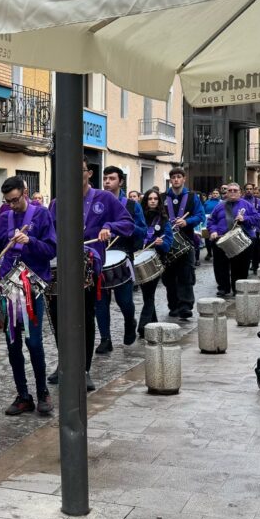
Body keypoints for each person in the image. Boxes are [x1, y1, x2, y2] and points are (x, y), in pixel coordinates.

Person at [47, 161, 134, 391]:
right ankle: (64, 364)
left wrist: (109, 226)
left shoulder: (105, 199)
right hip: (61, 268)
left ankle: (83, 369)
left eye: (81, 171)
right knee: (57, 318)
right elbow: (48, 233)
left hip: (88, 266)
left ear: (89, 173)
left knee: (85, 318)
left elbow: (127, 223)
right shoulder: (57, 203)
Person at [0, 176, 57, 414]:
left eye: (14, 200)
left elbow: (51, 250)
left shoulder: (42, 215)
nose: (11, 205)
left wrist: (30, 241)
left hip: (32, 288)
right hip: (8, 287)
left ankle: (43, 392)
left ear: (25, 192)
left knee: (33, 342)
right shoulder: (3, 218)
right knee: (13, 344)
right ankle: (23, 395)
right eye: (7, 201)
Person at [95, 166, 145, 352]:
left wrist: (117, 229)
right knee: (100, 301)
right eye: (105, 178)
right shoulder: (97, 204)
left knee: (124, 300)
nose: (107, 182)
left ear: (121, 182)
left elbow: (141, 231)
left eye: (112, 178)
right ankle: (105, 339)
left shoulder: (132, 205)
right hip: (100, 256)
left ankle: (129, 321)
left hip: (122, 256)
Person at [160, 167, 204, 319]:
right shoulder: (162, 197)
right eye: (173, 177)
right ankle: (173, 306)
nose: (176, 180)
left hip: (187, 242)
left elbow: (200, 216)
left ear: (184, 179)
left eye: (179, 177)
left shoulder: (192, 197)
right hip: (167, 243)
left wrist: (187, 221)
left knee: (186, 275)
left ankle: (185, 306)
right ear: (170, 180)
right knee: (169, 277)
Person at [205, 183, 258, 297]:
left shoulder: (247, 205)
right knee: (220, 265)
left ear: (240, 192)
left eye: (235, 190)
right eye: (230, 190)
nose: (232, 192)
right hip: (221, 239)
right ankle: (223, 287)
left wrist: (245, 218)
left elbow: (256, 219)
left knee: (239, 266)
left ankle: (237, 287)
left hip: (241, 239)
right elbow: (211, 221)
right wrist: (213, 231)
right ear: (226, 193)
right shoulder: (219, 206)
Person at [137, 189, 174, 336]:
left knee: (149, 293)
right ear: (145, 201)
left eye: (155, 199)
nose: (152, 201)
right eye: (149, 199)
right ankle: (153, 322)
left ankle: (143, 326)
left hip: (156, 260)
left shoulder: (164, 220)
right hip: (140, 258)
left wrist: (160, 243)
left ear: (159, 201)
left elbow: (168, 243)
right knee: (147, 294)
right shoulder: (139, 218)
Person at [202, 188, 222, 261]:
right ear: (211, 194)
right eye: (214, 193)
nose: (215, 194)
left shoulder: (221, 202)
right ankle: (209, 253)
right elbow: (203, 211)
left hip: (218, 222)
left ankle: (216, 253)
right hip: (207, 222)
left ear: (219, 194)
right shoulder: (207, 202)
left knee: (216, 238)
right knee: (207, 238)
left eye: (217, 193)